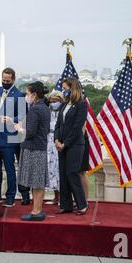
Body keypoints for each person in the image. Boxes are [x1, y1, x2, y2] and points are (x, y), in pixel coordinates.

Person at [0, 67, 26, 208]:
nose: (5, 82)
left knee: (9, 169)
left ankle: (10, 197)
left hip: (9, 138)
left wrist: (10, 119)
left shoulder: (19, 94)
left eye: (8, 80)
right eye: (3, 79)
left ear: (13, 79)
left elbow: (22, 115)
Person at [14, 81, 50, 221]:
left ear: (34, 95)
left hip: (33, 148)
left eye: (28, 94)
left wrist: (19, 129)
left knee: (36, 182)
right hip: (40, 147)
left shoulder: (35, 109)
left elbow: (30, 132)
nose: (26, 97)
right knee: (38, 181)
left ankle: (36, 211)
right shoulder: (44, 107)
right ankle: (38, 210)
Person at [54, 77, 89, 215]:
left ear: (72, 88)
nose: (64, 91)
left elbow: (77, 127)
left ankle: (82, 205)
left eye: (65, 89)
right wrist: (57, 139)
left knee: (72, 173)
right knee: (63, 174)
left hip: (75, 144)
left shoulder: (81, 105)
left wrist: (65, 143)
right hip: (61, 144)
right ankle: (66, 205)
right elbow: (58, 124)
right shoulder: (64, 105)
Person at [45, 90, 65, 205]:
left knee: (59, 169)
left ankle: (63, 197)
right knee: (51, 169)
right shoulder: (47, 112)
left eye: (56, 101)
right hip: (49, 142)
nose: (54, 103)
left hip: (59, 141)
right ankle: (55, 196)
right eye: (52, 101)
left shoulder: (63, 112)